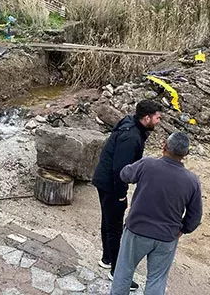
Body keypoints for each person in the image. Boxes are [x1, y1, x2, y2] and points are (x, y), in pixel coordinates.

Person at [110, 132, 203, 295]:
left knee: (124, 272)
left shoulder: (147, 164)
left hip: (137, 231)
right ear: (186, 154)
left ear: (164, 146)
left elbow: (125, 174)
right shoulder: (192, 180)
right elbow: (195, 217)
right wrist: (184, 229)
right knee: (157, 279)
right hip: (167, 237)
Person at [92, 100, 162, 291]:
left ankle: (107, 258)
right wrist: (121, 195)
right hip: (111, 184)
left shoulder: (130, 123)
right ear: (146, 117)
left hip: (104, 180)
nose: (159, 121)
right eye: (157, 117)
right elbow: (119, 170)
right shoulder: (131, 137)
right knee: (115, 227)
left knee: (108, 220)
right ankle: (116, 271)